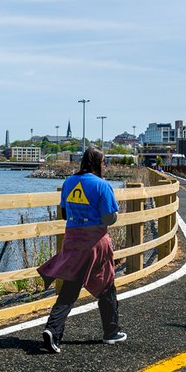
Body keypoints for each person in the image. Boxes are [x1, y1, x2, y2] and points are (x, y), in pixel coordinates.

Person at [35, 146, 126, 353]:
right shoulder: (102, 186)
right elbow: (109, 217)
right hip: (95, 242)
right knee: (106, 284)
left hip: (73, 240)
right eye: (103, 162)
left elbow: (64, 214)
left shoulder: (68, 183)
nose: (105, 166)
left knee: (70, 287)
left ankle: (53, 330)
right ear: (97, 163)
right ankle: (111, 332)